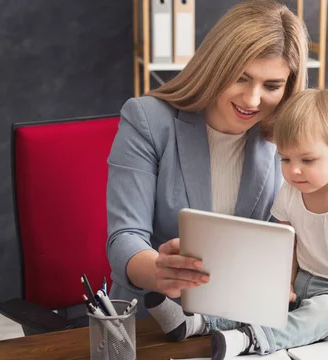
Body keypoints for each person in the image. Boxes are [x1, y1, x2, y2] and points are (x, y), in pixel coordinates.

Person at [146, 88, 328, 360]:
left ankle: (251, 339)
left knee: (325, 313)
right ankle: (196, 323)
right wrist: (284, 283)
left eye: (307, 160)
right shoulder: (291, 191)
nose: (293, 170)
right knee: (256, 292)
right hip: (303, 281)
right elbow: (288, 243)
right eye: (285, 159)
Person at [106, 0, 309, 317]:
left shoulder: (285, 141)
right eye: (241, 77)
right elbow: (124, 238)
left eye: (272, 86)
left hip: (243, 320)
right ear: (216, 65)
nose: (253, 100)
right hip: (155, 320)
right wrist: (158, 269)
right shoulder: (147, 120)